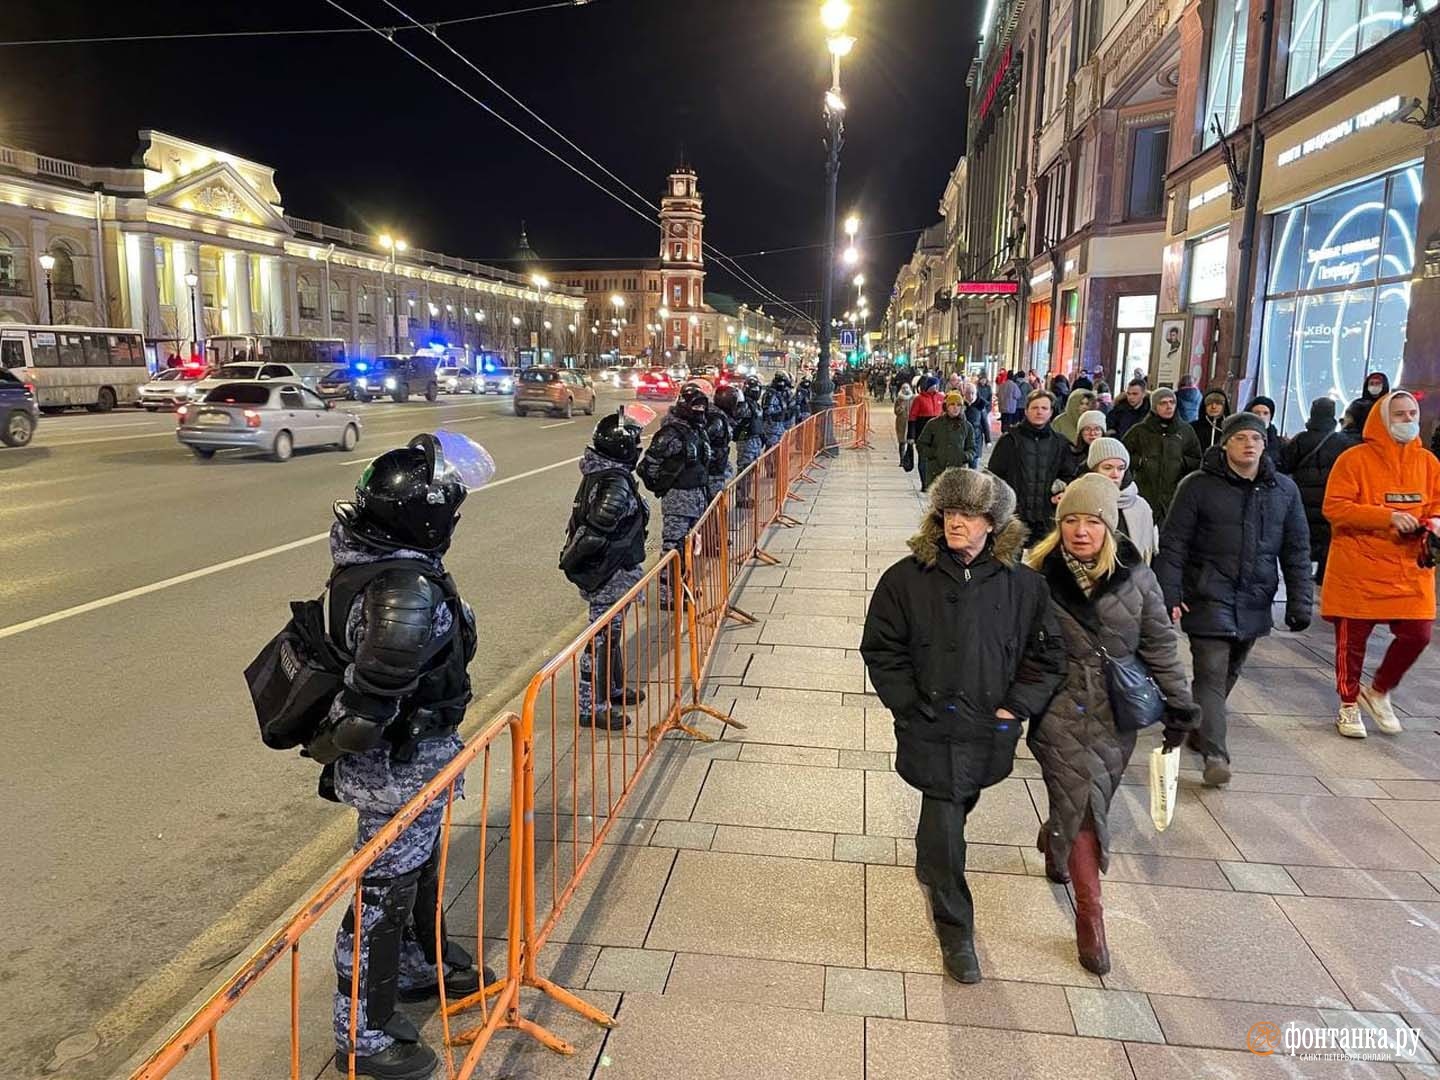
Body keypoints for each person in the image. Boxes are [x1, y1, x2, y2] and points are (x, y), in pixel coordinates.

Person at [308, 434, 492, 1080]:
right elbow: (365, 714)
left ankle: (415, 965)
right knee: (381, 895)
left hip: (416, 761)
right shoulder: (401, 592)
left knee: (416, 872)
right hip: (397, 770)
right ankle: (360, 1030)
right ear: (424, 518)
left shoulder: (396, 565)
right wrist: (340, 756)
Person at [861, 468, 1065, 985]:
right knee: (945, 813)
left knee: (958, 801)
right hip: (929, 724)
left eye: (968, 514)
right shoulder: (906, 579)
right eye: (949, 512)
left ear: (992, 524)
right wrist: (906, 704)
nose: (957, 522)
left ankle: (933, 862)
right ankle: (956, 929)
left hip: (986, 727)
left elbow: (1047, 656)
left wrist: (1012, 709)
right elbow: (881, 647)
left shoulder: (1024, 587)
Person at [1026, 474, 1199, 974]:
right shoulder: (1035, 574)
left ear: (1109, 525)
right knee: (1083, 805)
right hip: (1055, 706)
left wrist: (1180, 703)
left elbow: (1160, 646)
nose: (1081, 531)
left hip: (1114, 711)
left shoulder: (1136, 576)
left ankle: (1056, 848)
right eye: (1071, 521)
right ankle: (1092, 918)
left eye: (1093, 521)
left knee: (1086, 794)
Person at [1156, 413, 1312, 785]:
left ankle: (1202, 724)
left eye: (1256, 439)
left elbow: (1296, 549)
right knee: (1210, 672)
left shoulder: (1284, 491)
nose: (1249, 444)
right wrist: (1170, 592)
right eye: (1240, 437)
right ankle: (1215, 754)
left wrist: (1300, 601)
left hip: (1255, 596)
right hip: (1207, 593)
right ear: (1225, 443)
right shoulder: (1197, 486)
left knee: (1230, 670)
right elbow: (1174, 542)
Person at [1321, 390, 1440, 738]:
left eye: (1412, 413)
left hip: (1410, 568)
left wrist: (1432, 522)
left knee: (1418, 634)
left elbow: (1436, 504)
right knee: (1352, 644)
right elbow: (1335, 508)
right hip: (1359, 568)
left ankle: (1379, 691)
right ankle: (1348, 704)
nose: (1407, 420)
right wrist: (1386, 516)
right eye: (1399, 414)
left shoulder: (1429, 463)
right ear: (1383, 419)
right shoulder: (1354, 460)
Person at [560, 409, 650, 731]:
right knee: (600, 638)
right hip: (610, 573)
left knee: (611, 635)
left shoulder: (611, 476)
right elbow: (598, 529)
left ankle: (612, 690)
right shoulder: (614, 483)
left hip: (615, 570)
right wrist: (576, 562)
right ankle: (592, 707)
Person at [637, 384, 711, 608]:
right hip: (678, 501)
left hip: (696, 499)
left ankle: (683, 589)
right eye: (695, 406)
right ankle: (666, 597)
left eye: (702, 406)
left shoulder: (696, 430)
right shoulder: (671, 434)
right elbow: (647, 466)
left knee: (689, 549)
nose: (699, 411)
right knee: (673, 550)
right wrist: (663, 485)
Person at [1278, 396, 1356, 584]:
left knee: (1303, 537)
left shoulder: (1300, 440)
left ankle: (1302, 574)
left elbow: (1286, 465)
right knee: (1327, 537)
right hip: (1330, 497)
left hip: (1303, 498)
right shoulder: (1342, 442)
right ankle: (1322, 575)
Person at [988, 390, 1075, 542]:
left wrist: (1061, 489)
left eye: (1044, 408)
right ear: (1027, 410)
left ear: (1051, 412)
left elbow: (1069, 475)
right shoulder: (1009, 441)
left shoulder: (1060, 443)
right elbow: (994, 477)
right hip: (1014, 519)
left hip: (1047, 520)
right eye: (1035, 408)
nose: (1039, 412)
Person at [1123, 387, 1202, 523]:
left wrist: (1181, 463)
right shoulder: (1140, 431)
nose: (1169, 406)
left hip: (1174, 496)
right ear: (1154, 406)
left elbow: (1196, 459)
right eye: (1163, 403)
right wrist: (1140, 462)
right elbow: (1123, 456)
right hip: (1144, 493)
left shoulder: (1185, 431)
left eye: (1172, 402)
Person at [1088, 437, 1159, 562]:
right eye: (1107, 468)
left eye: (1121, 468)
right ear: (1094, 469)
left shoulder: (1140, 506)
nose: (1115, 474)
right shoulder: (1081, 502)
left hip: (1135, 575)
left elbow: (1149, 551)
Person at [916, 390, 977, 489]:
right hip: (936, 471)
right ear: (946, 407)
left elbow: (973, 449)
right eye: (952, 404)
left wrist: (964, 456)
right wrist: (934, 454)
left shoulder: (967, 426)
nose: (955, 407)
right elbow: (921, 444)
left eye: (958, 405)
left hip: (958, 473)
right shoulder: (934, 424)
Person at [706, 385, 737, 503]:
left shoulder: (721, 417)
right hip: (713, 470)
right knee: (714, 504)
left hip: (718, 466)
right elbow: (706, 442)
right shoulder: (716, 420)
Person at [1064, 409, 1108, 478]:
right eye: (1087, 429)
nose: (1092, 433)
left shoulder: (1110, 454)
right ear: (1081, 433)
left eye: (1097, 429)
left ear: (1103, 432)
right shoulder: (1070, 454)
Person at [734, 375, 764, 473]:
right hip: (746, 441)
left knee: (753, 471)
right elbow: (739, 415)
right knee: (745, 470)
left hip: (755, 440)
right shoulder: (745, 404)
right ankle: (742, 488)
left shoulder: (755, 404)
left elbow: (758, 420)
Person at [1244, 396, 1285, 460]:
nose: (1261, 416)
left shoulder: (1280, 444)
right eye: (1257, 413)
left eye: (1265, 413)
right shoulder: (1240, 437)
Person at [759, 372, 793, 449]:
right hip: (772, 426)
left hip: (778, 425)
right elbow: (768, 410)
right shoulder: (771, 394)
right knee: (771, 448)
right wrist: (780, 411)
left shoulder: (778, 394)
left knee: (778, 448)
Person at [908, 376, 945, 446]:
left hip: (938, 431)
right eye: (935, 385)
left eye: (938, 385)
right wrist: (911, 435)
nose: (937, 387)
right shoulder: (919, 399)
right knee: (923, 452)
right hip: (922, 429)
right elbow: (912, 417)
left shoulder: (941, 397)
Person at [961, 382, 990, 468]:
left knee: (973, 464)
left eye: (972, 393)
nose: (970, 395)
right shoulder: (960, 404)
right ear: (964, 393)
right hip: (962, 438)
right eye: (968, 393)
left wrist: (988, 440)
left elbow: (985, 423)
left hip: (976, 438)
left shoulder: (980, 405)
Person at [894, 379, 916, 463]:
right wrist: (901, 408)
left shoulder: (913, 398)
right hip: (901, 423)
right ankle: (902, 460)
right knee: (902, 442)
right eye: (903, 388)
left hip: (911, 422)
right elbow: (896, 412)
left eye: (907, 388)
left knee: (910, 442)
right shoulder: (899, 399)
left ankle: (909, 459)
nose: (905, 389)